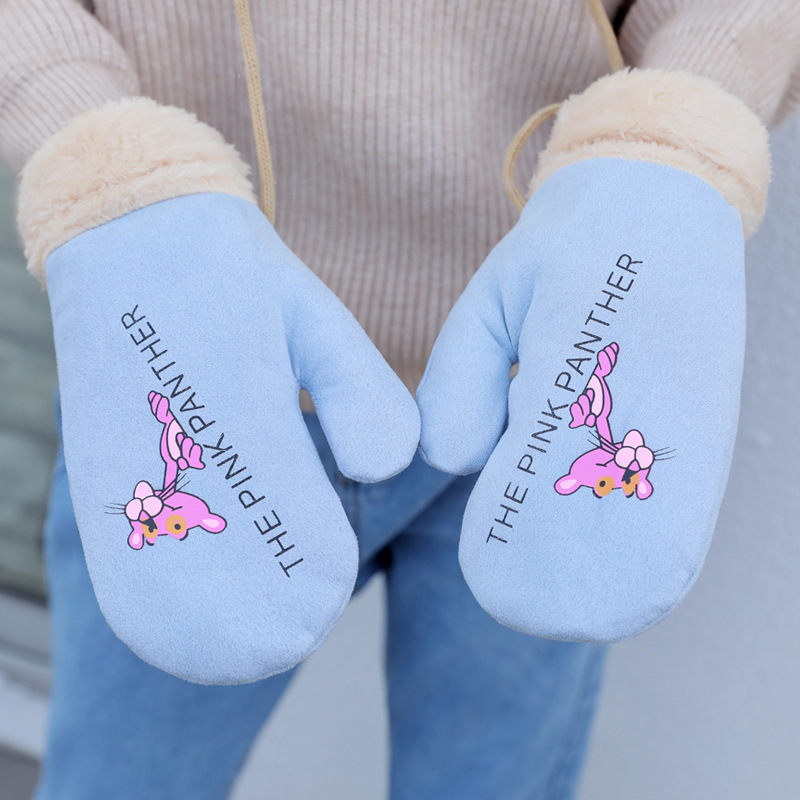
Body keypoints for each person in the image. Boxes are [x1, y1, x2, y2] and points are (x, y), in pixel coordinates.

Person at [1, 2, 798, 798]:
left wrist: (677, 131)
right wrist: (100, 166)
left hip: (544, 375)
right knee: (122, 782)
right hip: (202, 365)